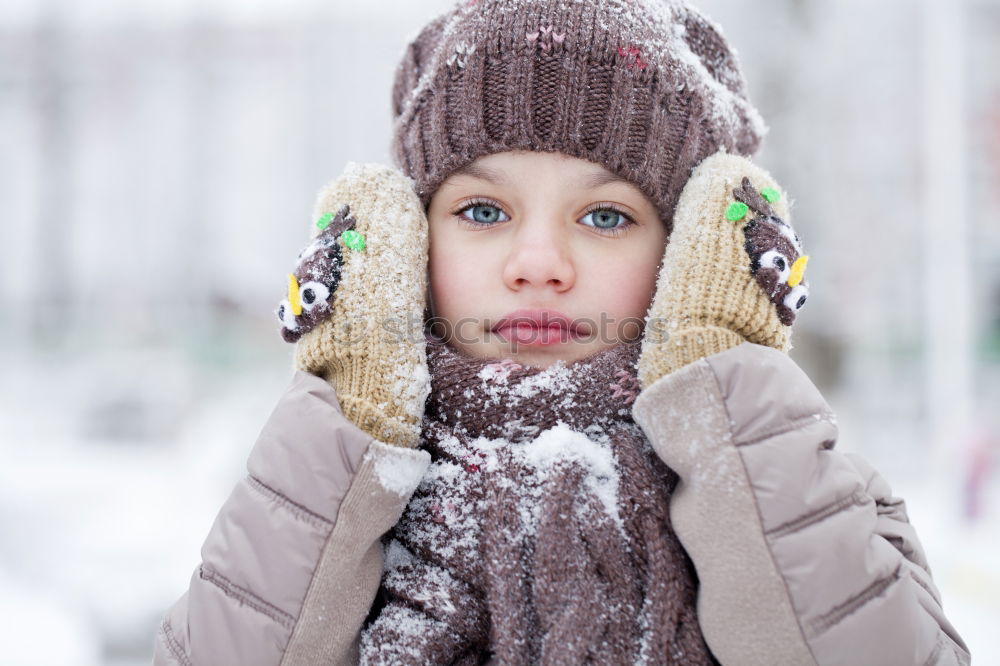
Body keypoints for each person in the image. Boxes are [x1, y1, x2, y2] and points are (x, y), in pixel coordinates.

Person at [153, 0, 972, 664]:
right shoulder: (331, 481)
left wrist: (725, 382)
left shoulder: (797, 472)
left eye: (607, 215)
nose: (539, 263)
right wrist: (354, 409)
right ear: (408, 238)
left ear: (690, 244)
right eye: (482, 211)